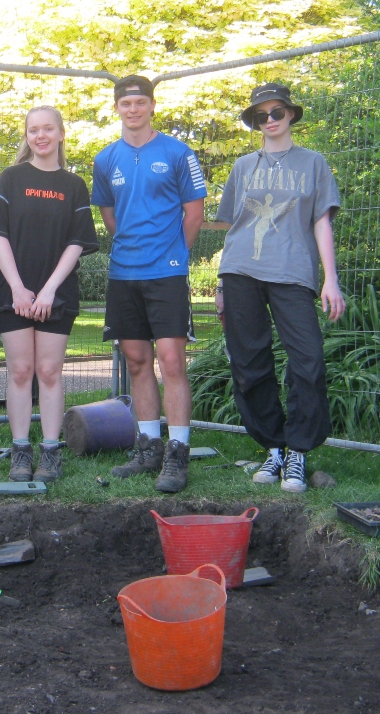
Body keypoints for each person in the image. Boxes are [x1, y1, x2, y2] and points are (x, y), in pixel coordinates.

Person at [214, 83, 344, 492]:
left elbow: (321, 221)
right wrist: (220, 283)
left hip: (292, 273)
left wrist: (331, 279)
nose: (269, 120)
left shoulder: (314, 164)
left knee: (308, 361)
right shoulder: (241, 166)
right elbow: (232, 227)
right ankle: (273, 450)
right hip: (240, 271)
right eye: (261, 115)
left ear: (291, 114)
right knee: (249, 363)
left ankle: (299, 453)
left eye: (277, 112)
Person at [92, 75, 206, 493]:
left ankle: (178, 454)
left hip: (167, 272)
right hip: (124, 272)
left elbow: (194, 213)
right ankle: (149, 447)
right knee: (137, 361)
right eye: (126, 103)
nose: (133, 109)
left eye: (141, 102)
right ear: (118, 108)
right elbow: (108, 215)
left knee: (172, 360)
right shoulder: (105, 159)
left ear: (152, 105)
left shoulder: (178, 152)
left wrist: (175, 254)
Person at [0, 106, 99, 482]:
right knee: (20, 370)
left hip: (56, 294)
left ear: (61, 134)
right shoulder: (11, 178)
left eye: (48, 129)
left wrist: (48, 290)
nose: (41, 136)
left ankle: (50, 451)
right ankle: (20, 450)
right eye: (34, 130)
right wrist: (17, 287)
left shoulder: (74, 185)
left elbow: (78, 242)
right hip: (11, 291)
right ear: (27, 135)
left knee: (48, 371)